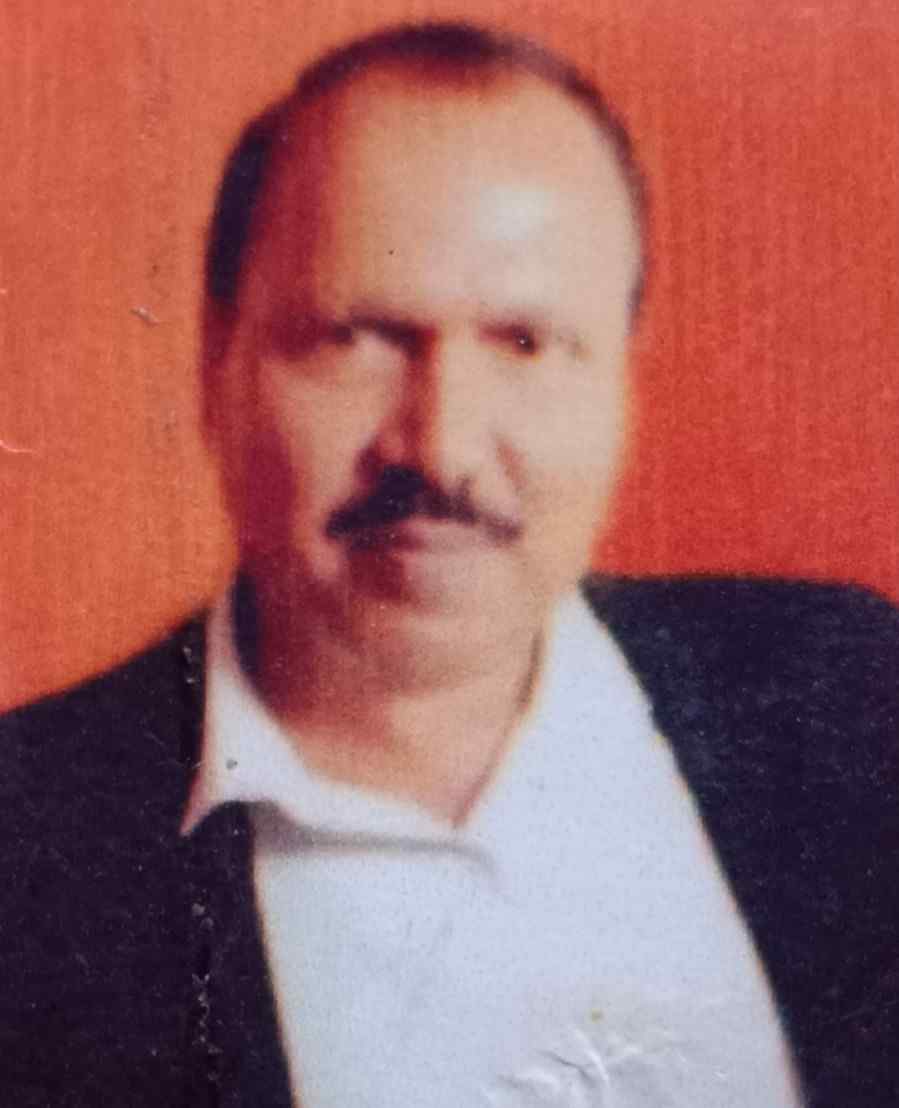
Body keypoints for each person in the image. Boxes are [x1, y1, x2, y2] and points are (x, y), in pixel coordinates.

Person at [2, 21, 898, 1108]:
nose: (440, 446)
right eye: (356, 337)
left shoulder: (851, 704)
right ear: (214, 363)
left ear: (620, 380)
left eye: (525, 342)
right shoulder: (26, 856)